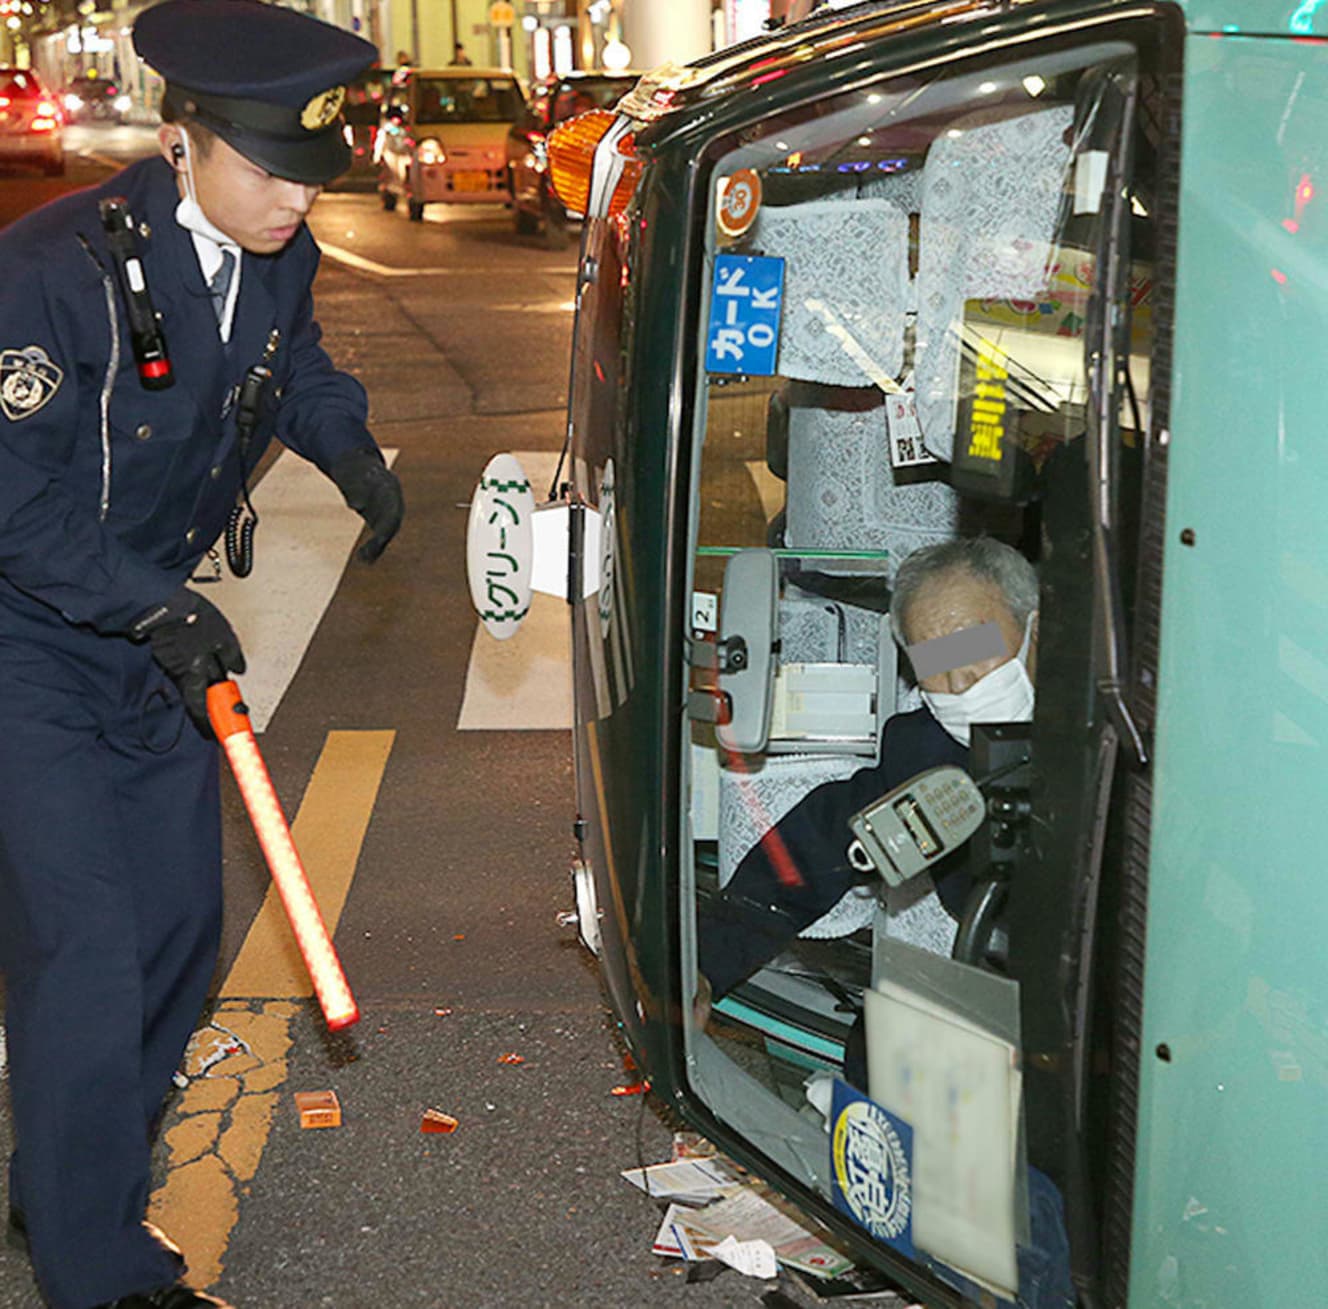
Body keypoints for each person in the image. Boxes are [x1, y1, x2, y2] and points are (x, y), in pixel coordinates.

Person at [0, 2, 404, 1306]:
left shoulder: (277, 251)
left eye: (312, 173)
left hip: (147, 640)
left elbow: (290, 367)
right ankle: (96, 1265)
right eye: (270, 169)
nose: (295, 199)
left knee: (179, 924)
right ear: (182, 143)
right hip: (27, 645)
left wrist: (344, 444)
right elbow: (11, 498)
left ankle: (62, 1168)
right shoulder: (53, 269)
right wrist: (144, 603)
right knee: (88, 947)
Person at [697, 537, 1038, 1003]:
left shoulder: (1133, 730)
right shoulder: (922, 749)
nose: (958, 683)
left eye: (973, 647)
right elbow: (820, 843)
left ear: (1036, 631)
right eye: (935, 664)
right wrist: (704, 967)